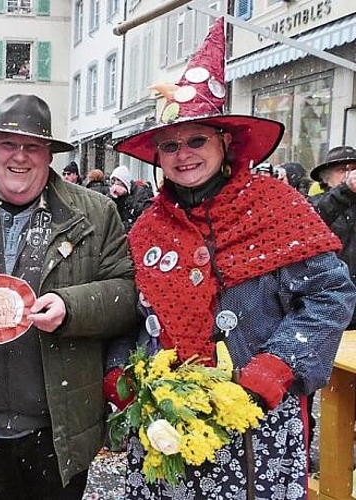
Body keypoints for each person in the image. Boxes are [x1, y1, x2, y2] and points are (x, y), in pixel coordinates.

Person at [112, 18, 355, 497]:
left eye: (196, 140)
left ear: (225, 142)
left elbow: (332, 294)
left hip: (257, 424)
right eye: (170, 145)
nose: (183, 155)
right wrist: (121, 371)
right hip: (168, 424)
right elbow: (133, 314)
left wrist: (279, 364)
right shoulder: (147, 227)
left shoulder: (276, 204)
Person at [0, 93, 138, 499]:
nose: (20, 156)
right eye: (8, 144)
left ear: (49, 154)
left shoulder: (95, 212)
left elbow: (126, 293)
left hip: (61, 425)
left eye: (33, 146)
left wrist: (73, 308)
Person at [309, 145, 356, 328]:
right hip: (329, 304)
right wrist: (346, 190)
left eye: (353, 169)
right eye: (341, 170)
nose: (350, 174)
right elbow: (315, 219)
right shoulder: (313, 204)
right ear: (326, 178)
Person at [108, 165, 153, 232]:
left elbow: (143, 212)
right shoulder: (114, 196)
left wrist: (127, 198)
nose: (115, 183)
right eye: (113, 180)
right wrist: (115, 198)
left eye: (118, 180)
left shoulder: (140, 192)